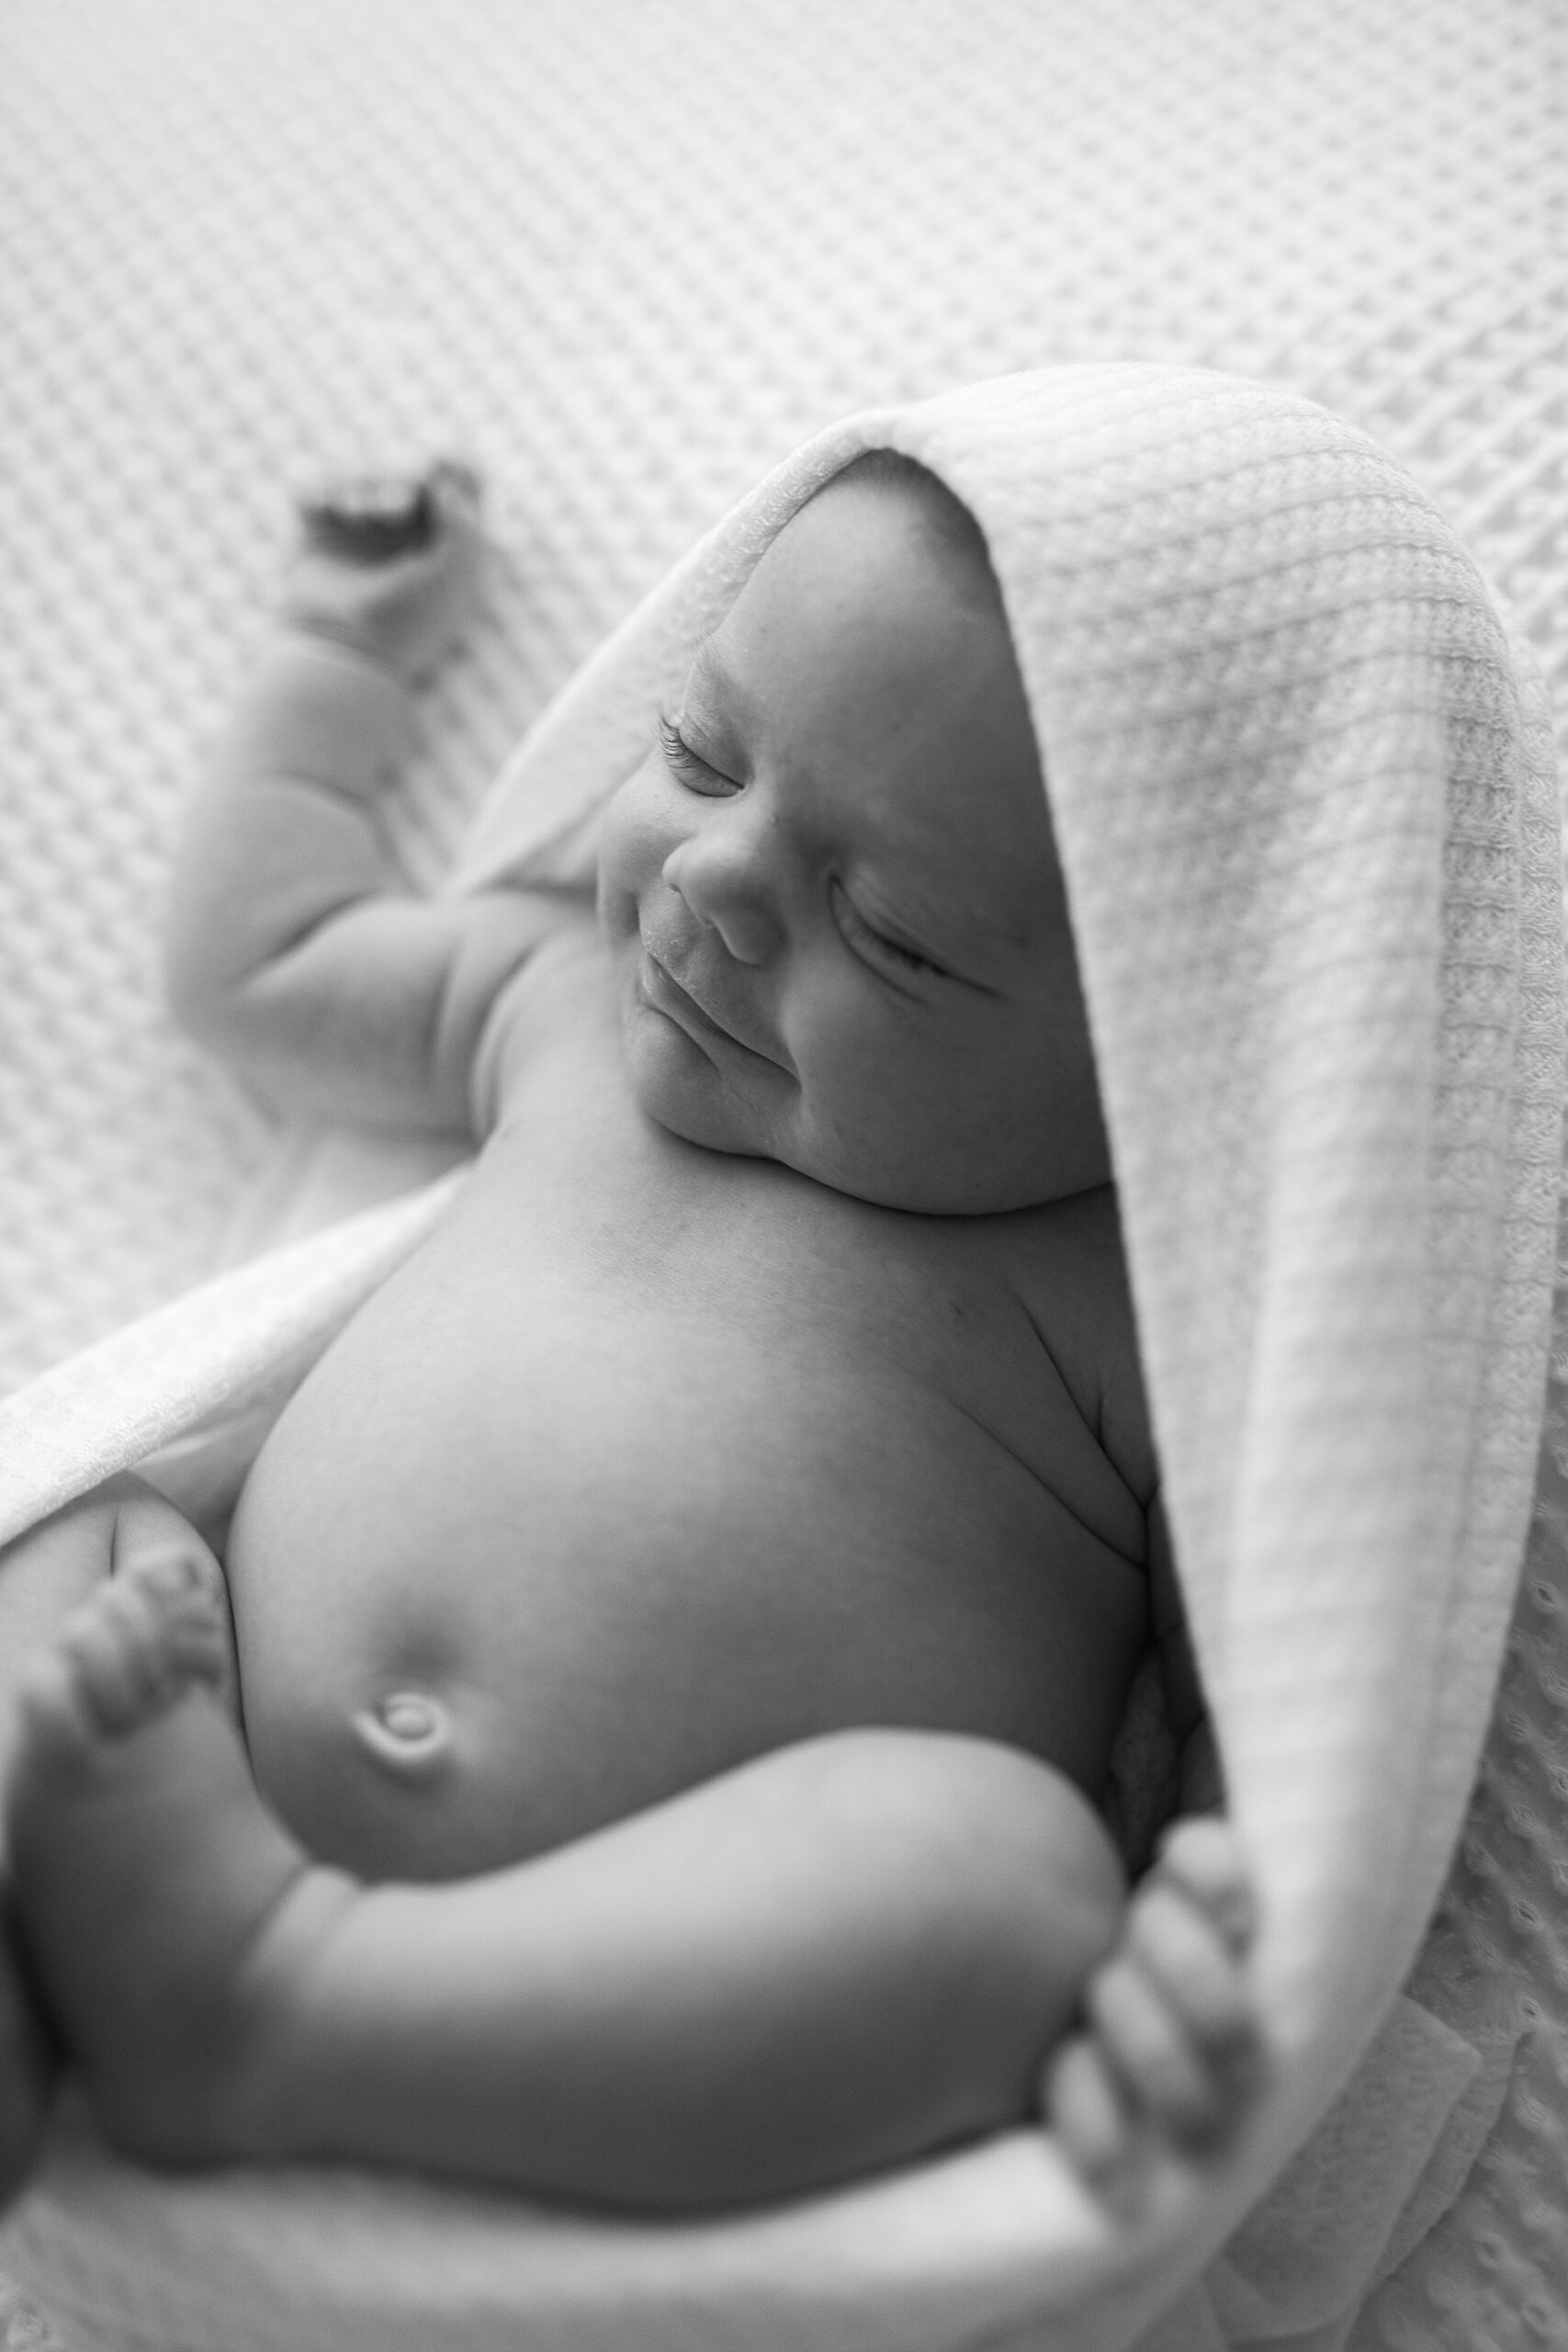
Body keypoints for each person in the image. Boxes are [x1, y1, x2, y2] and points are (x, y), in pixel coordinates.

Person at [0, 451, 1262, 2214]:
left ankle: (278, 2002)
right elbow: (262, 962)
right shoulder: (562, 1005)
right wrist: (338, 657)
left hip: (674, 1979)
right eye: (698, 755)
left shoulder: (1147, 1297)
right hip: (179, 1776)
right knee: (72, 1531)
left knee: (1019, 1893)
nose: (714, 882)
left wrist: (1198, 1943)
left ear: (1160, 1025)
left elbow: (1270, 1702)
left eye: (888, 931)